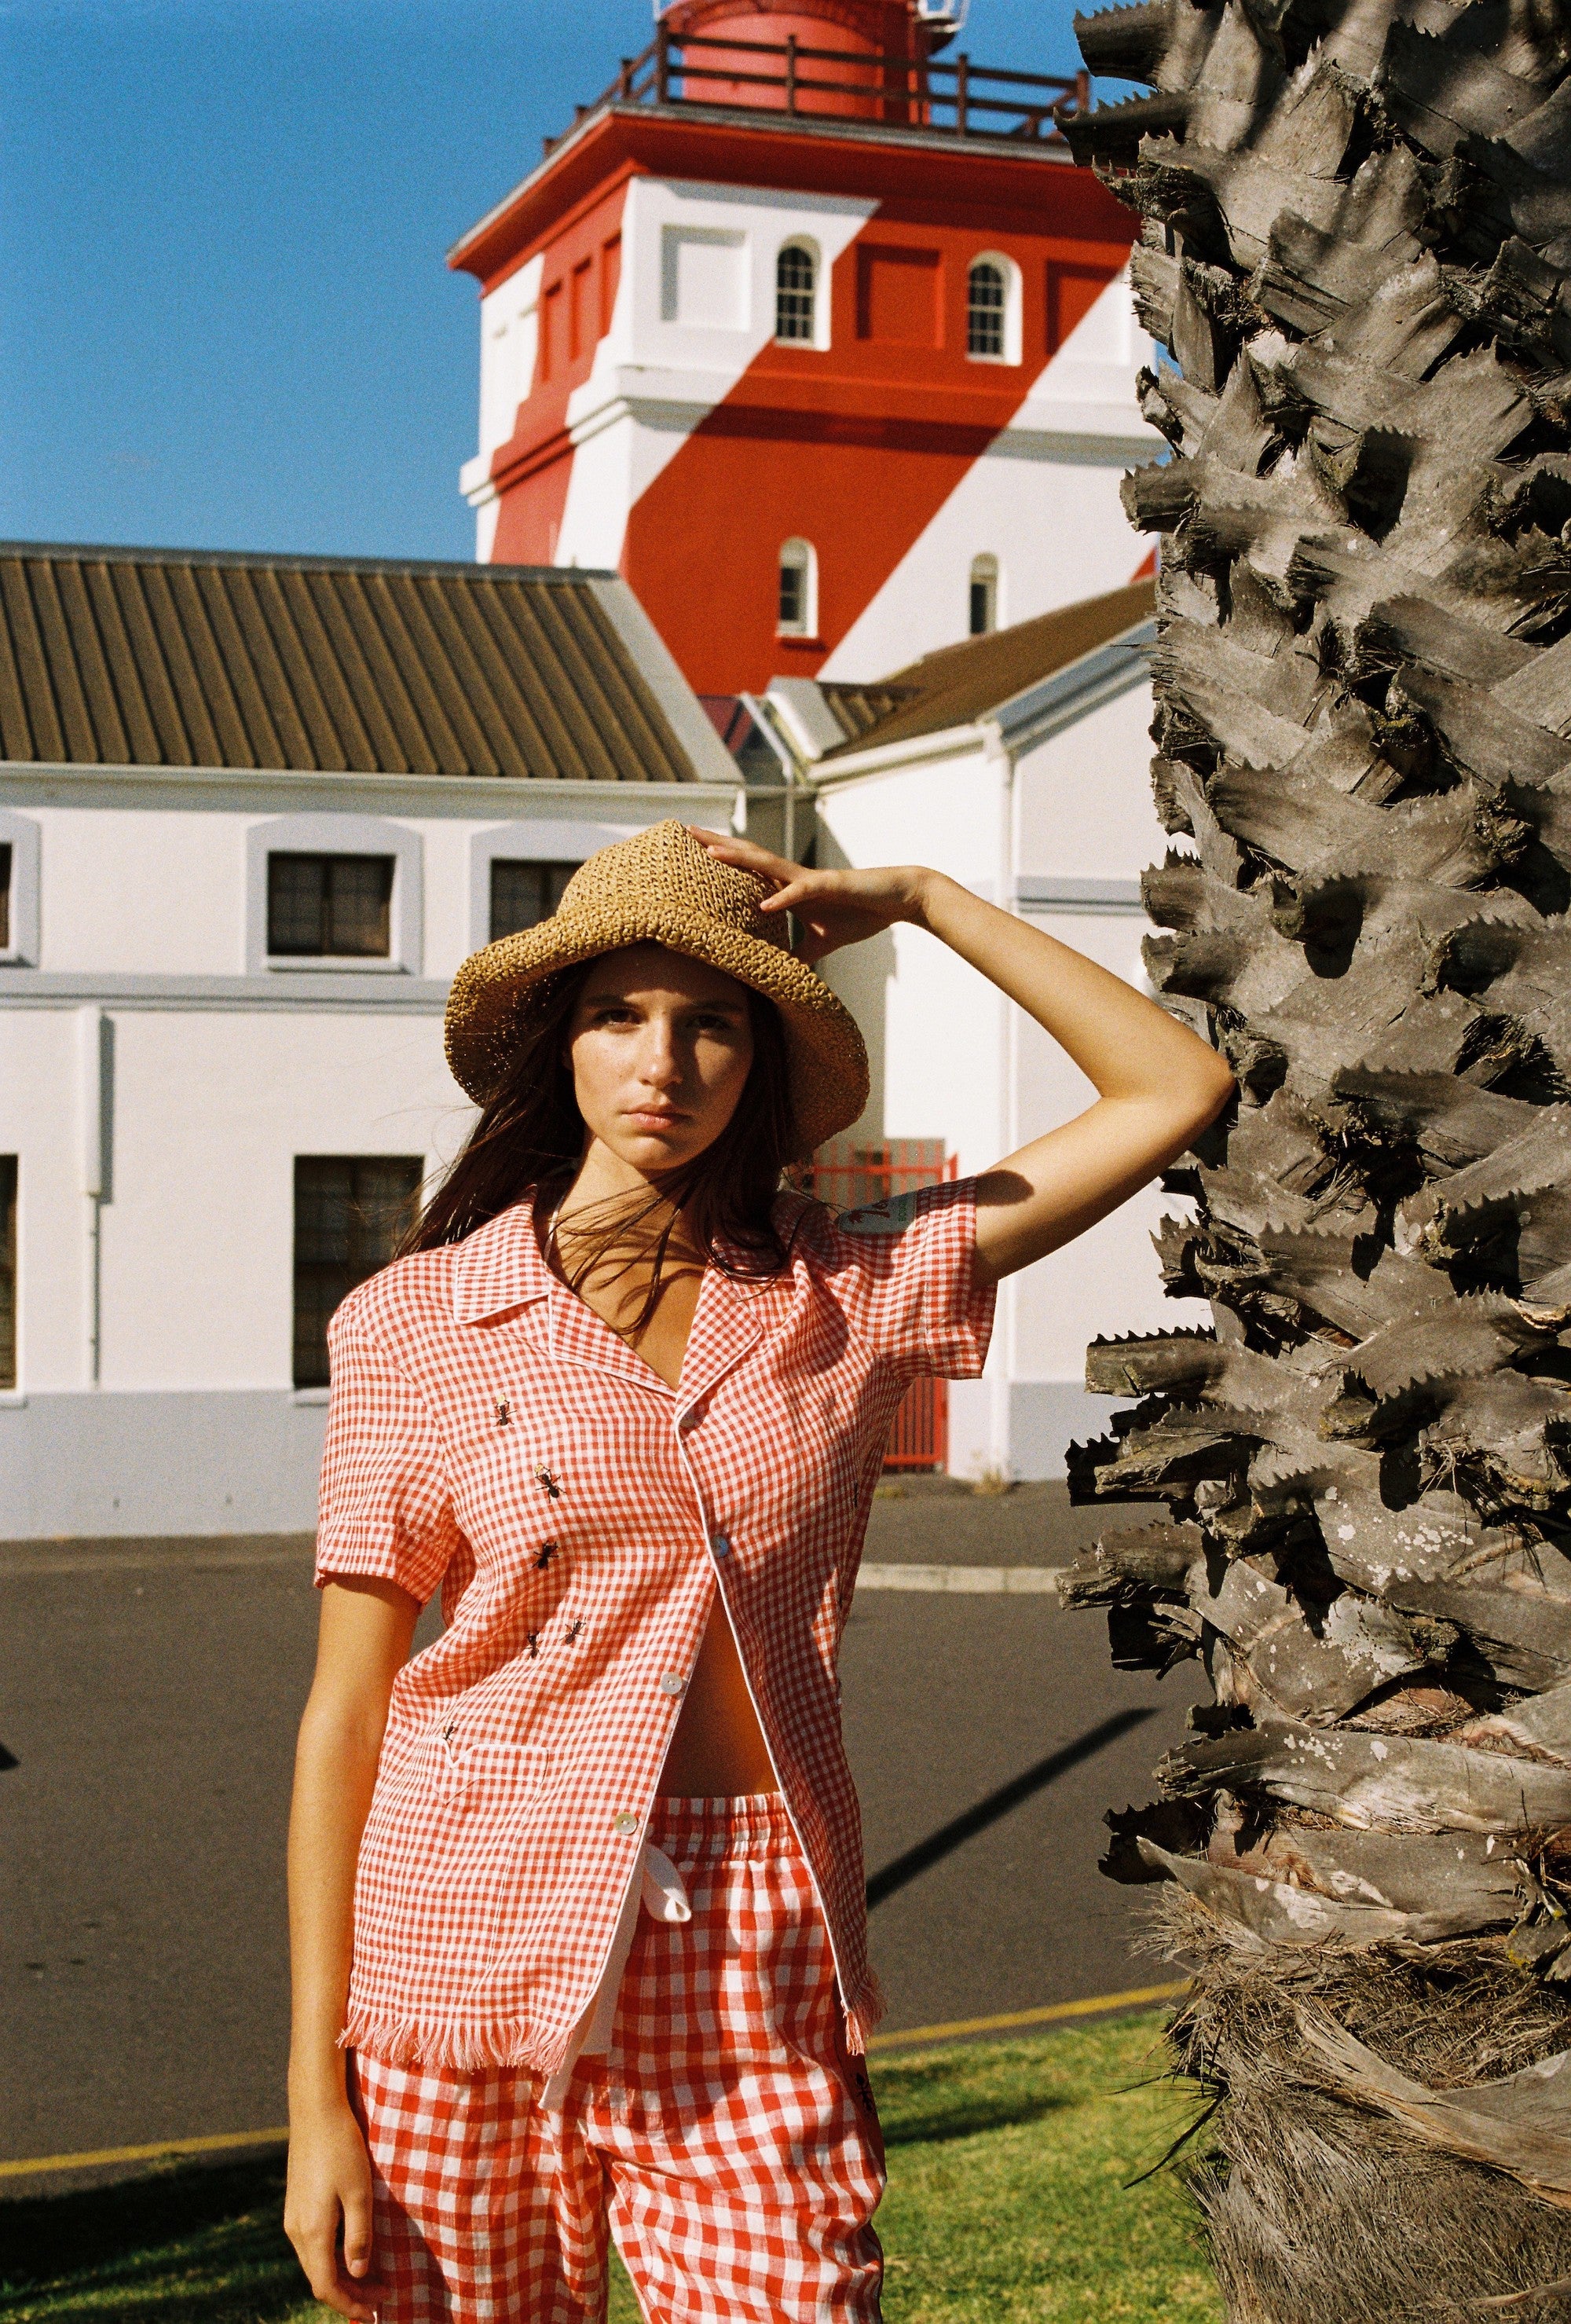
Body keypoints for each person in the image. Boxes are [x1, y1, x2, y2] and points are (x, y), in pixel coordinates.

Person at [284, 818, 1233, 2323]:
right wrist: (312, 2097)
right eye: (620, 1015)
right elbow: (349, 1711)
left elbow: (1173, 1086)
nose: (662, 1061)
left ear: (761, 1062)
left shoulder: (850, 1290)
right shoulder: (416, 1319)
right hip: (462, 1936)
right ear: (563, 1049)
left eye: (710, 1022)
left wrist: (924, 899)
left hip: (752, 1940)